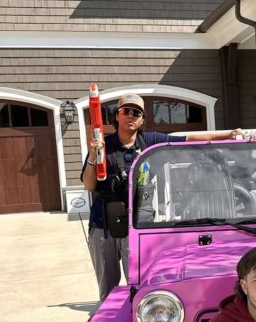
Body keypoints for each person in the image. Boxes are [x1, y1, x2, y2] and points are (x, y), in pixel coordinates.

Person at [82, 92, 242, 300]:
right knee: (107, 289)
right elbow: (89, 185)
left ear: (142, 119)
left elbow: (189, 139)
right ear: (117, 116)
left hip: (138, 223)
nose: (131, 116)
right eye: (126, 111)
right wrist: (93, 156)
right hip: (103, 224)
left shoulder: (150, 141)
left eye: (137, 112)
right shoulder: (103, 145)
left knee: (140, 286)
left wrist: (228, 135)